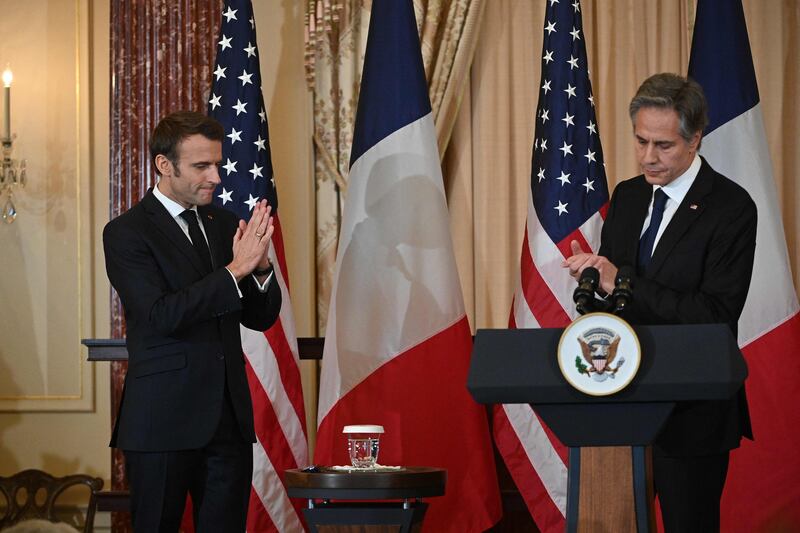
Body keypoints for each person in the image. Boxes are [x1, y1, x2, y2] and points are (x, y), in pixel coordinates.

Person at [563, 73, 757, 532]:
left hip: (691, 412)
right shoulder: (628, 197)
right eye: (641, 141)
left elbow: (714, 314)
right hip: (618, 401)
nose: (648, 157)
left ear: (695, 141)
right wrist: (592, 283)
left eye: (663, 145)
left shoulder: (731, 207)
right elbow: (616, 303)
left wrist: (620, 278)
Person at [103, 111, 281, 532]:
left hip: (228, 421)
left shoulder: (222, 224)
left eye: (217, 164)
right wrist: (236, 271)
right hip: (162, 420)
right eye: (202, 166)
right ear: (165, 165)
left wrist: (260, 270)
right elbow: (160, 315)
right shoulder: (126, 233)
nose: (216, 177)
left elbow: (260, 318)